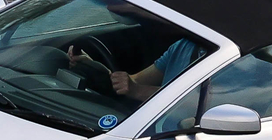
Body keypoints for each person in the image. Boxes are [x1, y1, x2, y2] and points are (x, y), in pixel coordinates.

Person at [70, 33, 201, 100]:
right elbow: (135, 81)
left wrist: (138, 91)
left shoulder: (221, 59)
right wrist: (93, 66)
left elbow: (198, 106)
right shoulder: (183, 46)